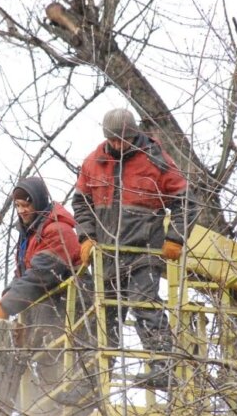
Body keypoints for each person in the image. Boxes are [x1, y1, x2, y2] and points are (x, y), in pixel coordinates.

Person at [72, 108, 197, 388]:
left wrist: (175, 237)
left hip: (144, 253)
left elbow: (186, 201)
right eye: (114, 141)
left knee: (145, 306)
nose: (119, 145)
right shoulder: (94, 161)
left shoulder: (156, 160)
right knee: (105, 316)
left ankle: (162, 366)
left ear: (135, 134)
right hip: (106, 255)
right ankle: (92, 381)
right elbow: (81, 203)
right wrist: (86, 237)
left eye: (124, 140)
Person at [0, 176, 81, 325]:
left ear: (38, 202)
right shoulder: (30, 236)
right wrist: (4, 298)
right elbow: (22, 275)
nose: (21, 211)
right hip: (51, 316)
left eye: (26, 205)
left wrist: (6, 306)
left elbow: (40, 276)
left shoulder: (57, 231)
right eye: (17, 206)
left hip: (72, 312)